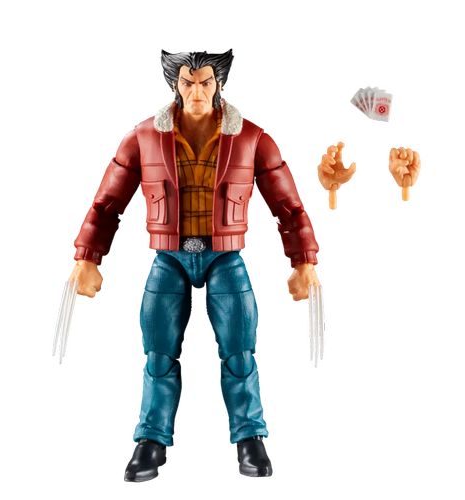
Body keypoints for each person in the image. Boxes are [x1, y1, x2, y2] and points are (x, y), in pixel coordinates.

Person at [69, 49, 320, 481]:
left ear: (219, 83)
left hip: (225, 256)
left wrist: (303, 260)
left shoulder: (252, 139)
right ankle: (151, 440)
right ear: (175, 84)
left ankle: (250, 437)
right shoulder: (144, 137)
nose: (198, 92)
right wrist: (88, 256)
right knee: (158, 351)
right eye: (188, 82)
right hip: (169, 256)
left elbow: (288, 205)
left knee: (240, 349)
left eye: (206, 82)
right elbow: (107, 202)